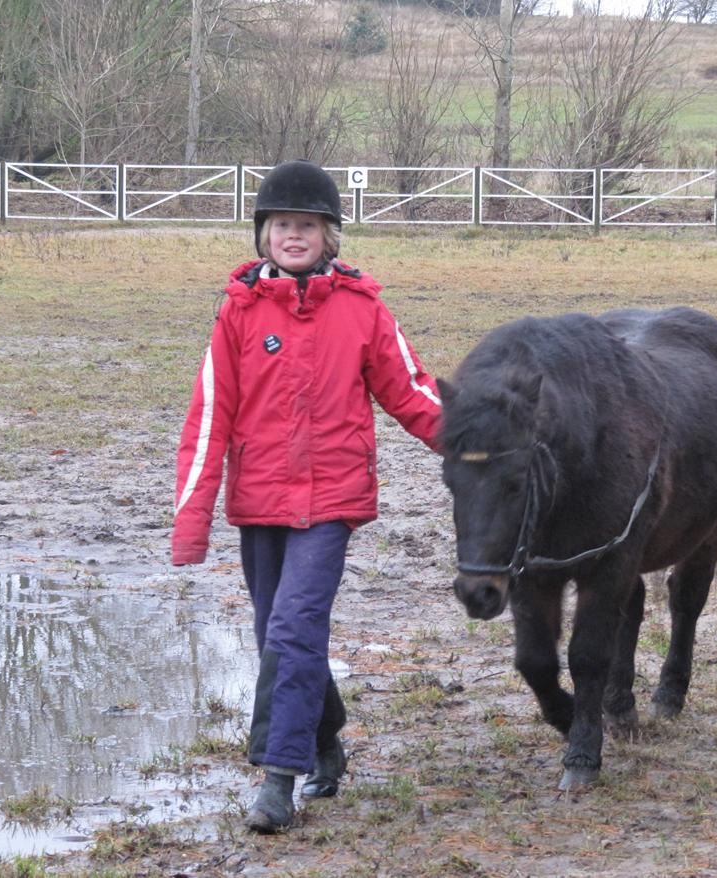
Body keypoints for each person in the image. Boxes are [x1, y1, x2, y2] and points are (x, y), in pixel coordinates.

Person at [171, 160, 441, 833]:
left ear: (330, 235)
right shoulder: (237, 312)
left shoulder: (363, 308)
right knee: (278, 636)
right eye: (283, 225)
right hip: (259, 501)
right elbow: (209, 418)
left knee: (293, 629)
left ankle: (276, 779)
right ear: (264, 235)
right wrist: (191, 519)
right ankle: (325, 740)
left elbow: (410, 392)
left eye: (308, 226)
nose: (295, 236)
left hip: (332, 502)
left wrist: (476, 447)